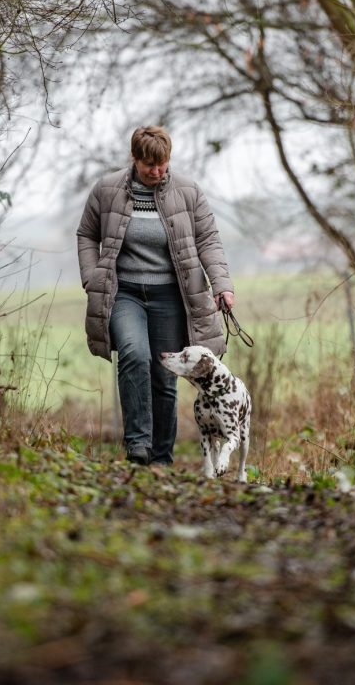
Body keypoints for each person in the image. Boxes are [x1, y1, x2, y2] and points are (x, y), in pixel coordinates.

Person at [76, 126, 235, 466]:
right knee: (134, 354)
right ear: (135, 159)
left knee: (164, 375)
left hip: (170, 297)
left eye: (163, 164)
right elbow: (87, 234)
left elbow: (208, 240)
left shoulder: (188, 192)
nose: (157, 171)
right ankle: (138, 446)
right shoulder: (107, 191)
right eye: (149, 164)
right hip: (124, 293)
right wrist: (92, 277)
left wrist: (222, 284)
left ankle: (161, 458)